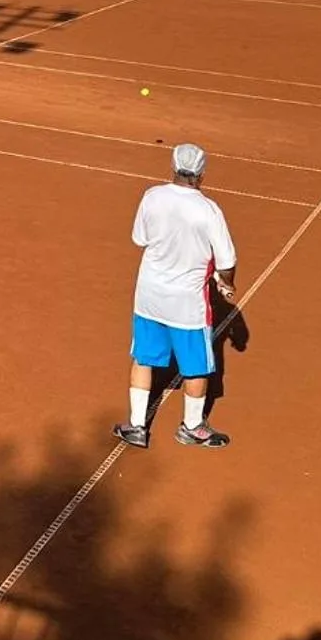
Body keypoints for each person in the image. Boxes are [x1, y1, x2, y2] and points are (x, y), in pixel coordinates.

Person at [113, 142, 238, 450]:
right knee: (196, 365)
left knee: (143, 358)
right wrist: (225, 283)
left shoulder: (152, 197)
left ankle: (137, 426)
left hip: (150, 296)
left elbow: (139, 237)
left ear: (173, 167)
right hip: (187, 305)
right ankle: (193, 427)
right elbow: (227, 261)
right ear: (202, 174)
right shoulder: (208, 210)